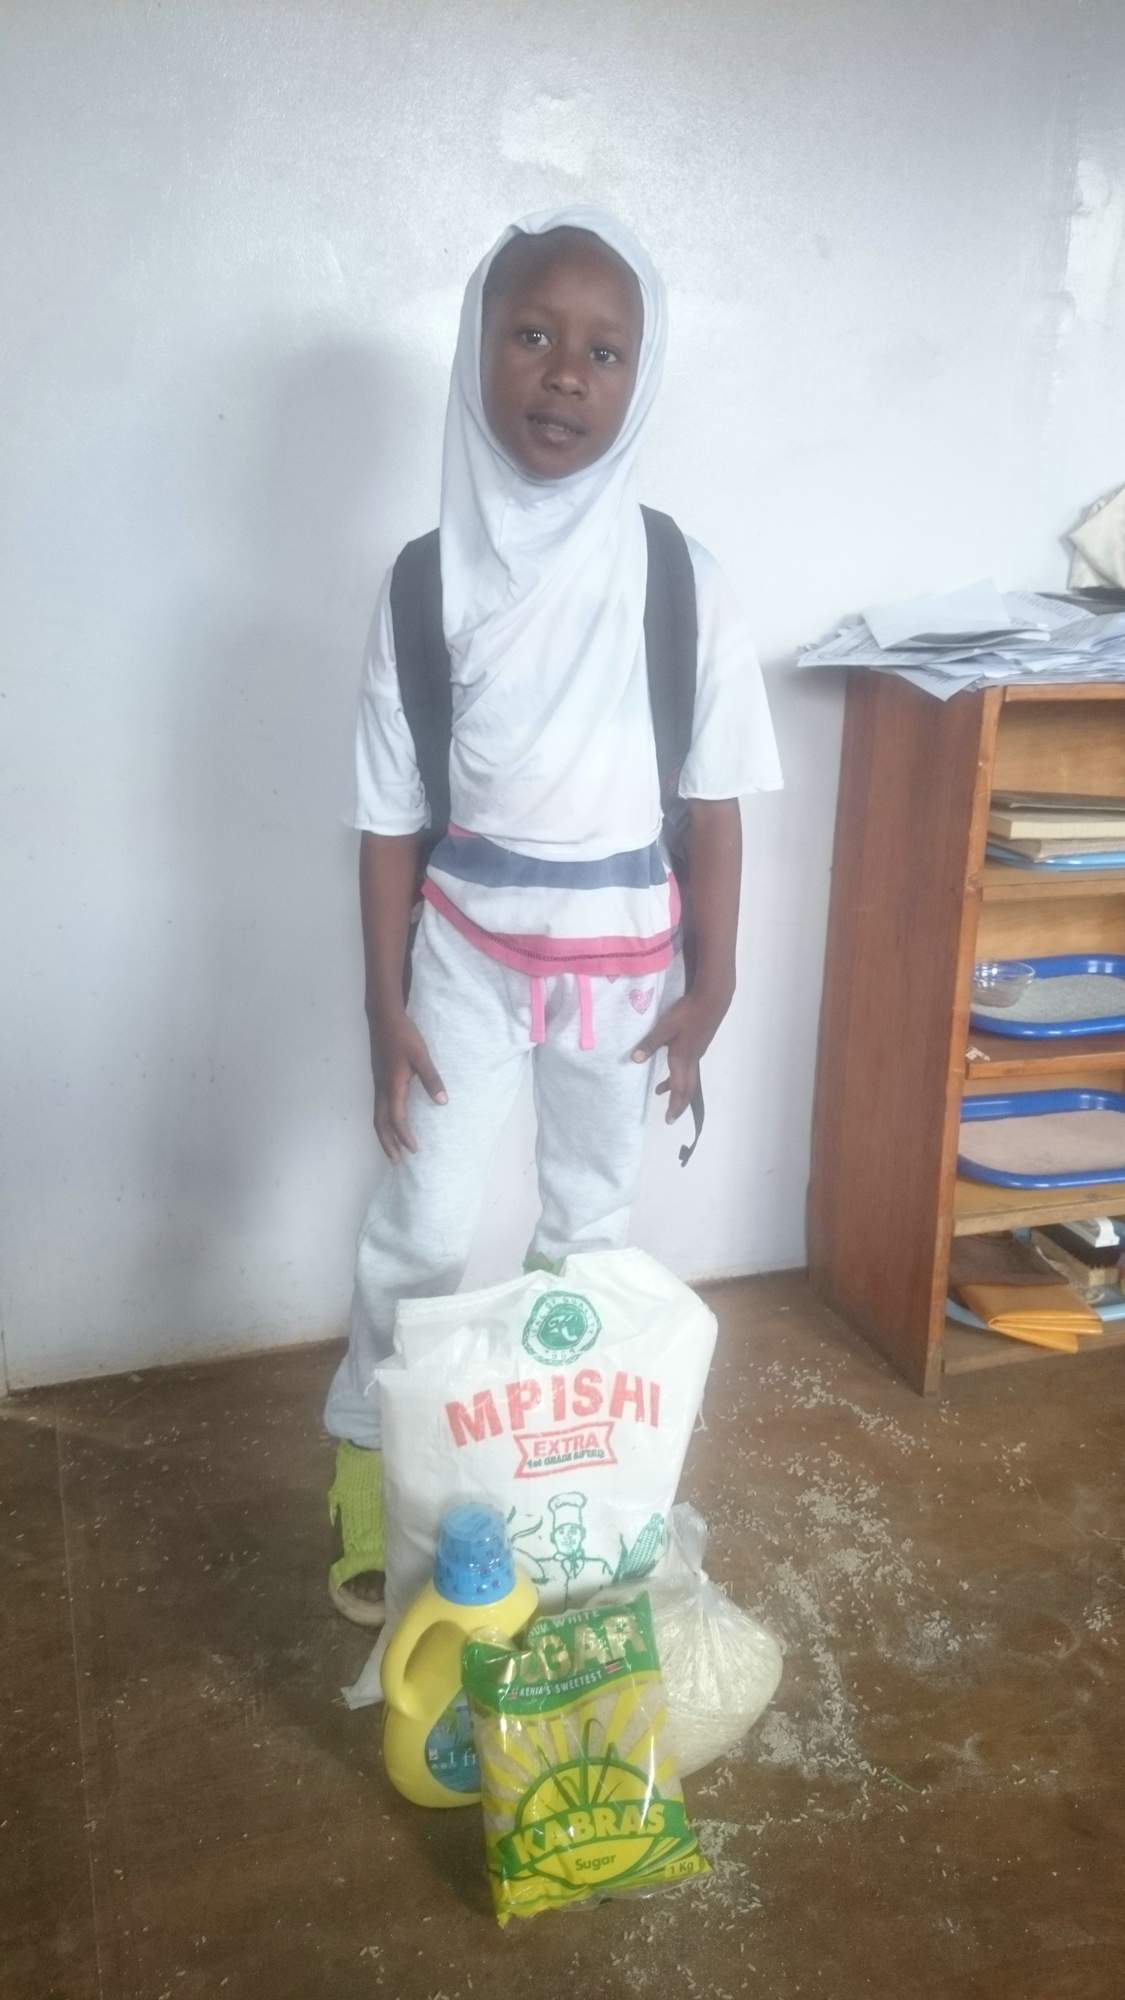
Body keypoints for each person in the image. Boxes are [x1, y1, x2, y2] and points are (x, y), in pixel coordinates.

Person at [325, 205, 782, 1624]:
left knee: (589, 1224)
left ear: (642, 376)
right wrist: (384, 1001)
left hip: (624, 976)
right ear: (478, 352)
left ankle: (547, 1461)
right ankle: (368, 1466)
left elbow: (714, 807)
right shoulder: (426, 583)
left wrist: (711, 988)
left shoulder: (680, 580)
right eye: (531, 334)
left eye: (605, 349)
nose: (566, 372)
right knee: (422, 1222)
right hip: (463, 960)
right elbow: (389, 816)